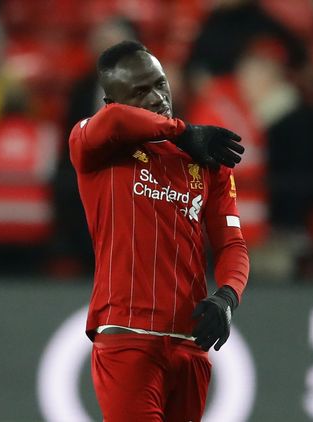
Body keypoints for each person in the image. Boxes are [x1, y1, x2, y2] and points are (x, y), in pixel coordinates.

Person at [68, 40, 249, 421]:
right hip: (128, 337)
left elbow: (232, 242)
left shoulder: (206, 161)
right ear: (111, 101)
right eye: (139, 92)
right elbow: (118, 122)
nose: (156, 97)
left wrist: (228, 297)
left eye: (160, 84)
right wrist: (182, 131)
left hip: (190, 345)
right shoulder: (95, 146)